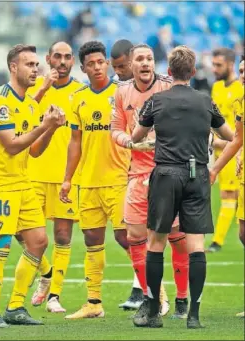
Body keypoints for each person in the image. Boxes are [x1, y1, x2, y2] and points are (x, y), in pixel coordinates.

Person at [131, 45, 234, 329]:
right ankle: (194, 315)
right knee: (196, 246)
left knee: (156, 242)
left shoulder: (156, 100)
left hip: (165, 174)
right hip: (198, 175)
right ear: (192, 72)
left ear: (169, 71)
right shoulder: (206, 101)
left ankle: (152, 312)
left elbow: (136, 135)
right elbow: (228, 134)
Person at [0, 44, 66, 328]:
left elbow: (35, 151)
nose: (35, 69)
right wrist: (44, 125)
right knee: (1, 245)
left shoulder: (30, 104)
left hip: (22, 181)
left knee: (39, 241)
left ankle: (16, 305)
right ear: (13, 67)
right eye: (29, 64)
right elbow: (12, 145)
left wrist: (52, 127)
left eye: (35, 64)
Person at [111, 43, 189, 319]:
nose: (145, 63)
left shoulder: (168, 88)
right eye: (140, 59)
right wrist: (131, 144)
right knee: (134, 236)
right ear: (131, 64)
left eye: (149, 59)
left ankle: (181, 298)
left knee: (177, 238)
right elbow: (116, 130)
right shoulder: (121, 93)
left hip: (168, 172)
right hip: (137, 175)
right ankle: (151, 297)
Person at [59, 41, 131, 320]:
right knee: (91, 239)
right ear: (83, 68)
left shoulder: (122, 93)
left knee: (127, 237)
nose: (98, 66)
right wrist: (67, 179)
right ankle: (93, 303)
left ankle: (156, 295)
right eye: (92, 63)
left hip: (119, 178)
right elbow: (75, 142)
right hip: (88, 181)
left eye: (102, 61)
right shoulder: (77, 98)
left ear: (108, 63)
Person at [25, 41, 83, 313]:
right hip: (34, 172)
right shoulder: (34, 89)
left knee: (62, 235)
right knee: (21, 230)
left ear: (73, 62)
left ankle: (54, 297)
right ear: (47, 59)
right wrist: (43, 88)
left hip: (66, 176)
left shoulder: (80, 93)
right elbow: (21, 116)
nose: (62, 61)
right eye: (57, 56)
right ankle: (45, 272)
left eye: (67, 57)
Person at [110, 38, 146, 310]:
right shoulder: (115, 88)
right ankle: (142, 287)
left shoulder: (153, 86)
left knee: (137, 232)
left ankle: (142, 289)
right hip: (118, 168)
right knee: (125, 234)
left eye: (123, 66)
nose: (120, 72)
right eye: (117, 67)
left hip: (141, 170)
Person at [209, 55, 244, 318]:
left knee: (228, 196)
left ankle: (218, 240)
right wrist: (217, 164)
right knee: (243, 232)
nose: (243, 75)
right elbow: (237, 138)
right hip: (235, 159)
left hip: (234, 157)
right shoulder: (231, 97)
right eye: (242, 71)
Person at [207, 48, 244, 253]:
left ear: (230, 65)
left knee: (230, 194)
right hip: (221, 149)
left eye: (218, 65)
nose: (214, 69)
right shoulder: (217, 87)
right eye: (213, 64)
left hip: (235, 149)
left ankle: (217, 242)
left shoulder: (241, 89)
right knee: (227, 195)